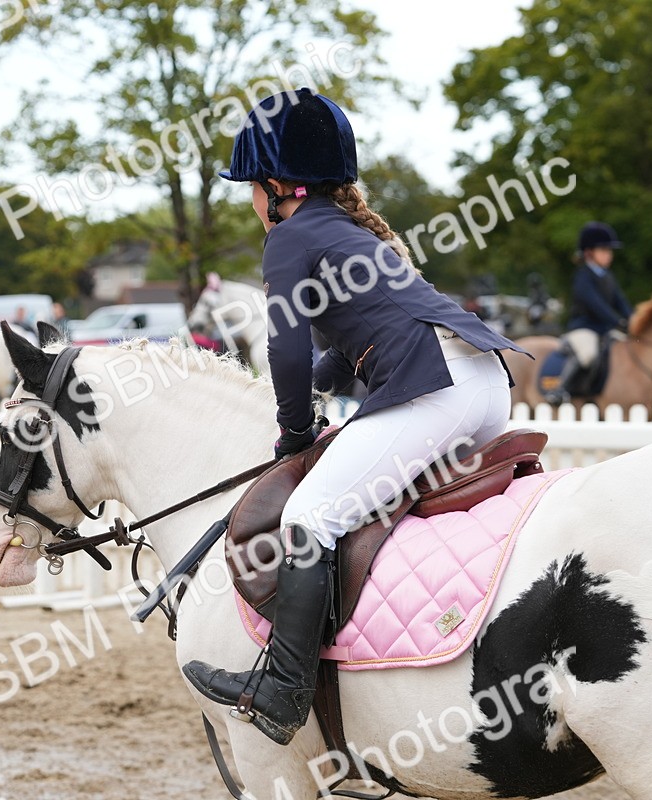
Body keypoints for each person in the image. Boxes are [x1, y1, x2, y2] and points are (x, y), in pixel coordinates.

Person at [180, 88, 526, 746]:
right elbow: (341, 351)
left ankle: (283, 688)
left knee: (311, 515)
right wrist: (314, 393)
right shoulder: (352, 232)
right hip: (485, 381)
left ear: (279, 187)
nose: (253, 202)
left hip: (437, 391)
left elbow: (285, 345)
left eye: (252, 188)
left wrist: (294, 434)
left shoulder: (290, 238)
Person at [543, 222, 633, 405]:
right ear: (589, 252)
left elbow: (620, 301)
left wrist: (632, 319)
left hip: (604, 330)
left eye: (609, 250)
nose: (609, 254)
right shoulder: (582, 276)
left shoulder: (608, 276)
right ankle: (560, 390)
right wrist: (617, 321)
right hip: (584, 328)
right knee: (588, 354)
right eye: (604, 250)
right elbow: (595, 305)